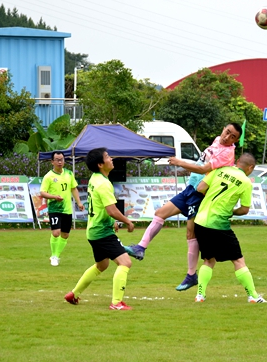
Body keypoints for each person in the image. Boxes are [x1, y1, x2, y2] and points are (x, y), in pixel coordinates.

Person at [127, 123, 242, 291]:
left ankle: (191, 275)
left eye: (232, 136)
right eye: (227, 132)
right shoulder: (217, 140)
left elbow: (203, 168)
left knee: (190, 233)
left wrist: (180, 162)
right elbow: (202, 162)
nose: (227, 137)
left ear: (236, 141)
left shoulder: (227, 153)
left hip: (200, 194)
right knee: (160, 213)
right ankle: (140, 248)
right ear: (223, 128)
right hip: (190, 188)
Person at [64, 148, 136, 310]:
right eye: (107, 157)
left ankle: (73, 294)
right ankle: (116, 303)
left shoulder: (95, 178)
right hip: (102, 232)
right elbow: (111, 210)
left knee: (102, 265)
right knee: (125, 262)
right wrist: (127, 221)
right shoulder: (103, 184)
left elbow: (100, 206)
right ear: (100, 164)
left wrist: (112, 221)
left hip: (93, 231)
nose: (111, 159)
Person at [192, 153, 267, 304]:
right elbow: (244, 209)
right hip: (219, 223)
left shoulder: (220, 170)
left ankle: (200, 295)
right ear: (251, 167)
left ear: (238, 161)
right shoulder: (245, 182)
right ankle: (253, 295)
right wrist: (231, 211)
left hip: (200, 221)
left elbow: (200, 188)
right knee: (238, 260)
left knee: (208, 260)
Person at [40, 151, 84, 266]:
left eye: (61, 159)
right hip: (55, 208)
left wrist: (79, 202)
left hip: (67, 209)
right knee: (56, 233)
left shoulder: (69, 174)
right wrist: (54, 197)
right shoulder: (48, 176)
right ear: (52, 162)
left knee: (65, 235)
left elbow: (73, 188)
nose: (60, 162)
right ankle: (54, 256)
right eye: (57, 160)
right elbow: (43, 192)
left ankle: (56, 255)